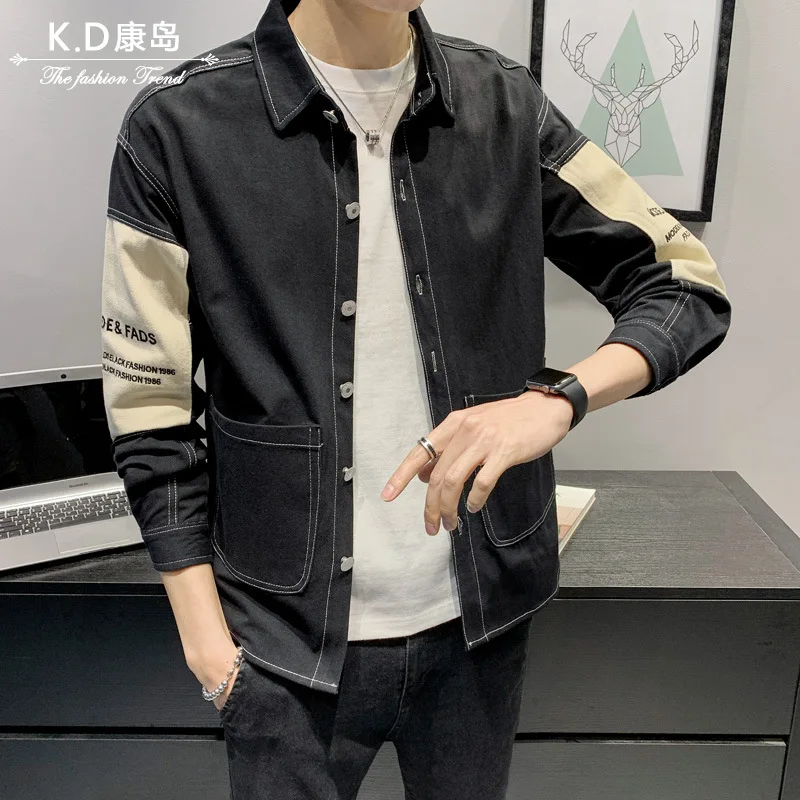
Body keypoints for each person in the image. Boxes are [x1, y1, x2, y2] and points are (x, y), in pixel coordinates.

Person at [99, 0, 731, 797]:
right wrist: (209, 651)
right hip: (281, 648)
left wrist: (557, 400)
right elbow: (148, 407)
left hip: (479, 629)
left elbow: (684, 284)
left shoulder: (503, 104)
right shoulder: (179, 125)